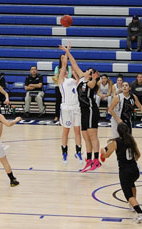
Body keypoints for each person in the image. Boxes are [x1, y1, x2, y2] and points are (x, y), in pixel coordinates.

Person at [60, 44, 101, 172]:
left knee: (93, 136)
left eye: (90, 71)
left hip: (91, 110)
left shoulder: (90, 82)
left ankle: (96, 160)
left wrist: (95, 78)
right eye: (88, 70)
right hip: (82, 111)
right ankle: (88, 160)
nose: (86, 71)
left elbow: (94, 83)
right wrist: (67, 51)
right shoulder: (82, 78)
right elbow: (74, 63)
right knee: (85, 136)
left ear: (92, 74)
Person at [100, 123, 142, 223]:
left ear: (118, 131)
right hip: (135, 170)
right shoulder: (131, 140)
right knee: (132, 184)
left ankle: (140, 213)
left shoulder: (115, 142)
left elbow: (106, 155)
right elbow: (138, 155)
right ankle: (133, 205)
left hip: (125, 171)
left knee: (128, 194)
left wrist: (102, 152)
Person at [58, 48, 83, 164]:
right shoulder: (61, 82)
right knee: (66, 131)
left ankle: (78, 152)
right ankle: (64, 152)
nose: (64, 72)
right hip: (66, 108)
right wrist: (66, 51)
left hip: (76, 107)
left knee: (77, 130)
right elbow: (64, 65)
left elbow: (79, 84)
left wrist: (75, 75)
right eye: (63, 71)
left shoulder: (72, 80)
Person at [53, 54, 72, 123]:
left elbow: (69, 77)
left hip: (67, 87)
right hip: (59, 86)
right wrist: (59, 73)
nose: (63, 59)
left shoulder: (69, 68)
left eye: (64, 58)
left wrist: (64, 74)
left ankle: (67, 116)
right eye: (62, 58)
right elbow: (55, 78)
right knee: (58, 102)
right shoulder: (57, 67)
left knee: (67, 102)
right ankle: (57, 115)